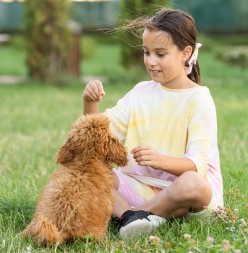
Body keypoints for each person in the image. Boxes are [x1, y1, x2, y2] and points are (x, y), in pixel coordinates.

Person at [83, 8, 223, 240]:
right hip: (139, 187)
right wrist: (90, 103)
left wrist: (161, 161)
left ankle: (130, 217)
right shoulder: (140, 92)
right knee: (88, 169)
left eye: (160, 54)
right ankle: (140, 217)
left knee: (193, 183)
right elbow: (96, 139)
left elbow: (197, 166)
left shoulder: (199, 99)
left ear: (185, 53)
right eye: (147, 52)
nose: (151, 61)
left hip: (186, 194)